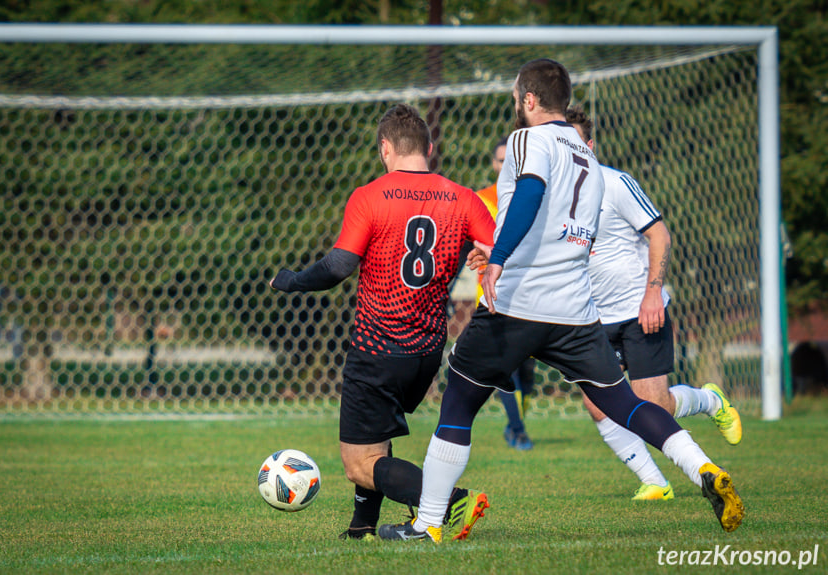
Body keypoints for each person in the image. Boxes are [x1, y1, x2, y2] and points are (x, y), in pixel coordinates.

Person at [377, 59, 744, 543]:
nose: (514, 104)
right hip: (575, 309)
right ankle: (703, 470)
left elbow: (530, 193)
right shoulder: (589, 157)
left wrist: (501, 256)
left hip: (519, 303)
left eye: (515, 97)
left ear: (529, 100)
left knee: (460, 401)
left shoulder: (527, 140)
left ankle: (427, 525)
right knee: (623, 403)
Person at [269, 103, 495, 541]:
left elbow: (338, 267)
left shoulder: (370, 195)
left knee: (359, 463)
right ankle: (362, 527)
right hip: (428, 351)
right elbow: (504, 248)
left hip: (376, 347)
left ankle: (454, 502)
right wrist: (484, 254)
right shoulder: (463, 197)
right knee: (374, 443)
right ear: (429, 148)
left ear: (385, 148)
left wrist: (292, 281)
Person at [565, 106, 743, 501]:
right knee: (598, 405)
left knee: (653, 406)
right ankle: (656, 483)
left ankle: (710, 399)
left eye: (576, 143)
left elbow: (659, 235)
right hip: (593, 318)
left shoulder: (615, 184)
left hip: (639, 311)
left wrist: (652, 293)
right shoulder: (554, 196)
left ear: (590, 147)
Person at [477, 136, 536, 451]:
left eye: (507, 160)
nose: (503, 166)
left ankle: (517, 424)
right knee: (505, 369)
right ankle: (518, 429)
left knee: (527, 373)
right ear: (493, 164)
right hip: (493, 299)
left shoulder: (531, 196)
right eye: (498, 160)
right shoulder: (481, 200)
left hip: (530, 298)